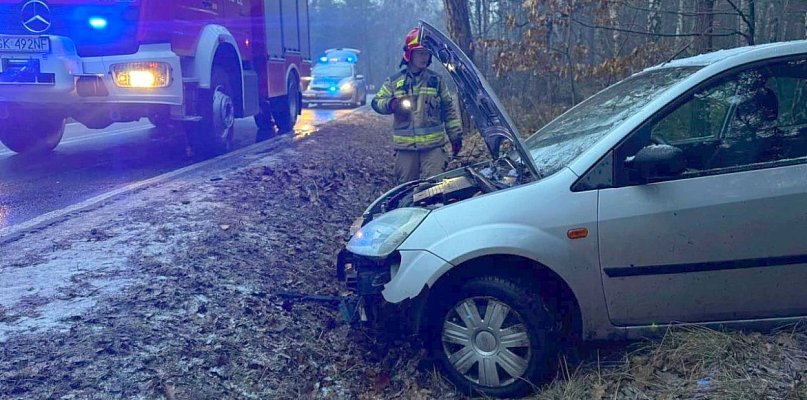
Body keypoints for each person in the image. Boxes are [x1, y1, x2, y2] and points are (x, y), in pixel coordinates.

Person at [371, 27, 463, 183]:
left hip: (433, 148)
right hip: (406, 149)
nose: (424, 57)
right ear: (410, 54)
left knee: (435, 187)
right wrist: (391, 104)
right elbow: (376, 102)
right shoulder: (394, 81)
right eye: (420, 53)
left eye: (427, 53)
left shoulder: (436, 81)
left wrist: (455, 136)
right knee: (406, 188)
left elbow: (448, 110)